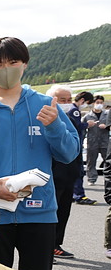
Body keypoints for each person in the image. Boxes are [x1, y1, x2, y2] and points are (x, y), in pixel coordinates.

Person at [0, 37, 79, 270]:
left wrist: (55, 126)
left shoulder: (45, 105)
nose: (6, 69)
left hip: (40, 212)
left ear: (25, 64)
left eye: (13, 62)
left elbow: (69, 154)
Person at [45, 85, 87, 259]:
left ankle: (56, 245)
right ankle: (46, 248)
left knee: (64, 212)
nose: (67, 103)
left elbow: (76, 146)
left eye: (69, 99)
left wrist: (78, 171)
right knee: (50, 215)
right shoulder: (45, 118)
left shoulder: (72, 118)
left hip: (69, 174)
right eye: (62, 100)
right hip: (52, 175)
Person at [72, 91, 97, 205]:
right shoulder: (74, 111)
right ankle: (79, 195)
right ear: (82, 100)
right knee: (78, 171)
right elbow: (76, 126)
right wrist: (88, 124)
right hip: (75, 145)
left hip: (73, 145)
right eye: (87, 103)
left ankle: (73, 193)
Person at [84, 94, 109, 186]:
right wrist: (87, 125)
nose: (99, 104)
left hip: (105, 141)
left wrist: (106, 126)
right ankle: (91, 179)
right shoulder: (87, 116)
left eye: (101, 103)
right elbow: (81, 127)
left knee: (108, 160)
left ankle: (108, 178)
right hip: (92, 141)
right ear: (93, 103)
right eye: (97, 102)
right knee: (91, 161)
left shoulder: (107, 115)